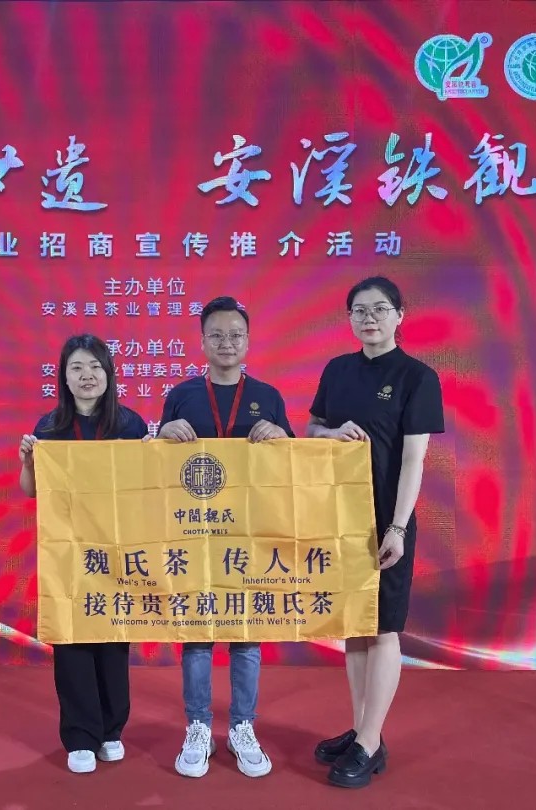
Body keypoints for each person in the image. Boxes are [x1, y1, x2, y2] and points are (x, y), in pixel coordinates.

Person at [306, 276, 445, 789]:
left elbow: (414, 460)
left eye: (380, 309)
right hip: (341, 518)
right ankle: (364, 729)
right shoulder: (337, 371)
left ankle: (369, 742)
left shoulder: (417, 377)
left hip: (387, 521)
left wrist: (398, 527)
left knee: (384, 628)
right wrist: (331, 432)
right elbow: (311, 430)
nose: (370, 318)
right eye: (360, 310)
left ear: (399, 315)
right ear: (349, 319)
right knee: (356, 624)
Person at [156, 296, 293, 779]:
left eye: (235, 335)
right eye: (217, 335)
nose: (226, 343)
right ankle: (197, 726)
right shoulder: (181, 395)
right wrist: (162, 434)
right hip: (193, 533)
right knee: (197, 636)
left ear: (248, 341)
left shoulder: (268, 396)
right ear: (202, 342)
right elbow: (156, 467)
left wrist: (281, 436)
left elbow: (292, 464)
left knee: (246, 636)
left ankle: (241, 727)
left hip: (249, 532)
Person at [18, 333, 149, 774]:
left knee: (113, 636)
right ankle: (80, 735)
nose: (86, 375)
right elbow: (32, 490)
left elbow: (147, 488)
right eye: (76, 368)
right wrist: (27, 461)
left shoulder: (130, 425)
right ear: (64, 377)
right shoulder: (50, 427)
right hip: (69, 551)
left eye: (95, 367)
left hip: (116, 549)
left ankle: (111, 730)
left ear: (109, 374)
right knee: (72, 638)